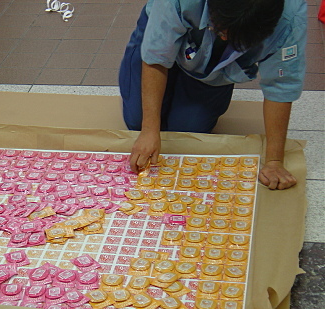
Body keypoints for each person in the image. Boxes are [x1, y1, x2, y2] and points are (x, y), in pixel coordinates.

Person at [119, 0, 307, 190]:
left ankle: (200, 75)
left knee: (188, 130)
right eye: (222, 30)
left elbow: (280, 84)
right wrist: (149, 130)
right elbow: (156, 58)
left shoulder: (290, 18)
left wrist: (274, 160)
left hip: (219, 60)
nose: (224, 38)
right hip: (170, 24)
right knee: (138, 121)